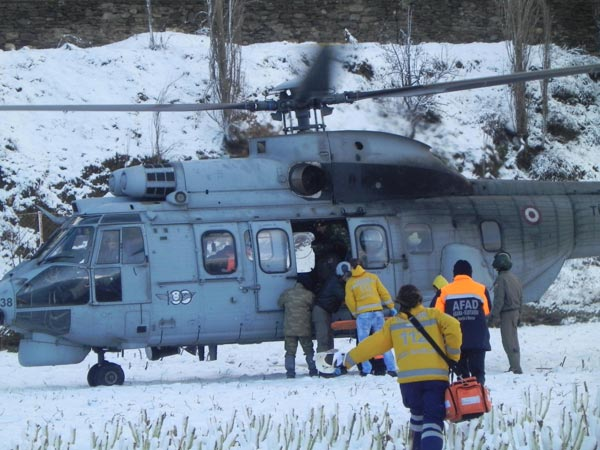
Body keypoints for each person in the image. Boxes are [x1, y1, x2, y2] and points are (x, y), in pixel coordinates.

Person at [331, 285, 461, 450]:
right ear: (419, 300)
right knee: (433, 421)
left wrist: (347, 361)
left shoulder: (393, 324)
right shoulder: (433, 316)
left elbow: (371, 345)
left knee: (418, 418)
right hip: (435, 379)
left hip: (409, 383)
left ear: (400, 302)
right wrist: (453, 355)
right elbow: (454, 326)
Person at [433, 259, 491, 385]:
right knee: (478, 373)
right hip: (478, 339)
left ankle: (464, 400)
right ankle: (479, 397)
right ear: (470, 273)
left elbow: (437, 314)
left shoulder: (444, 291)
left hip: (455, 341)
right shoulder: (481, 289)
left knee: (461, 375)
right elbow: (486, 311)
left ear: (454, 274)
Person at [344, 258, 398, 377]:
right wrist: (391, 307)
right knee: (383, 341)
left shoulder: (350, 282)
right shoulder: (372, 277)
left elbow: (349, 301)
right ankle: (391, 368)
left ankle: (366, 369)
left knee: (364, 344)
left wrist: (355, 313)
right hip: (378, 313)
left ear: (351, 268)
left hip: (363, 316)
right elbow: (384, 293)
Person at [489, 251, 523, 374]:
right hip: (515, 312)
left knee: (508, 341)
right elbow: (521, 297)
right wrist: (520, 313)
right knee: (514, 339)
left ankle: (515, 367)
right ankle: (516, 365)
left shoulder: (501, 279)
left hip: (507, 314)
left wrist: (493, 316)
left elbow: (499, 300)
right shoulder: (515, 278)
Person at [277, 279, 318, 378]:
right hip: (304, 328)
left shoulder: (287, 294)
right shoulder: (309, 295)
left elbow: (279, 303)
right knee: (308, 350)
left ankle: (290, 372)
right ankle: (313, 370)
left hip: (290, 329)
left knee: (290, 352)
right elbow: (314, 306)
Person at [312, 261, 350, 355]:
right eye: (346, 276)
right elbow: (344, 297)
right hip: (321, 311)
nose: (347, 278)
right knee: (323, 339)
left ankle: (328, 362)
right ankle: (322, 365)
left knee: (328, 338)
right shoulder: (336, 284)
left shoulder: (335, 280)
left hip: (325, 311)